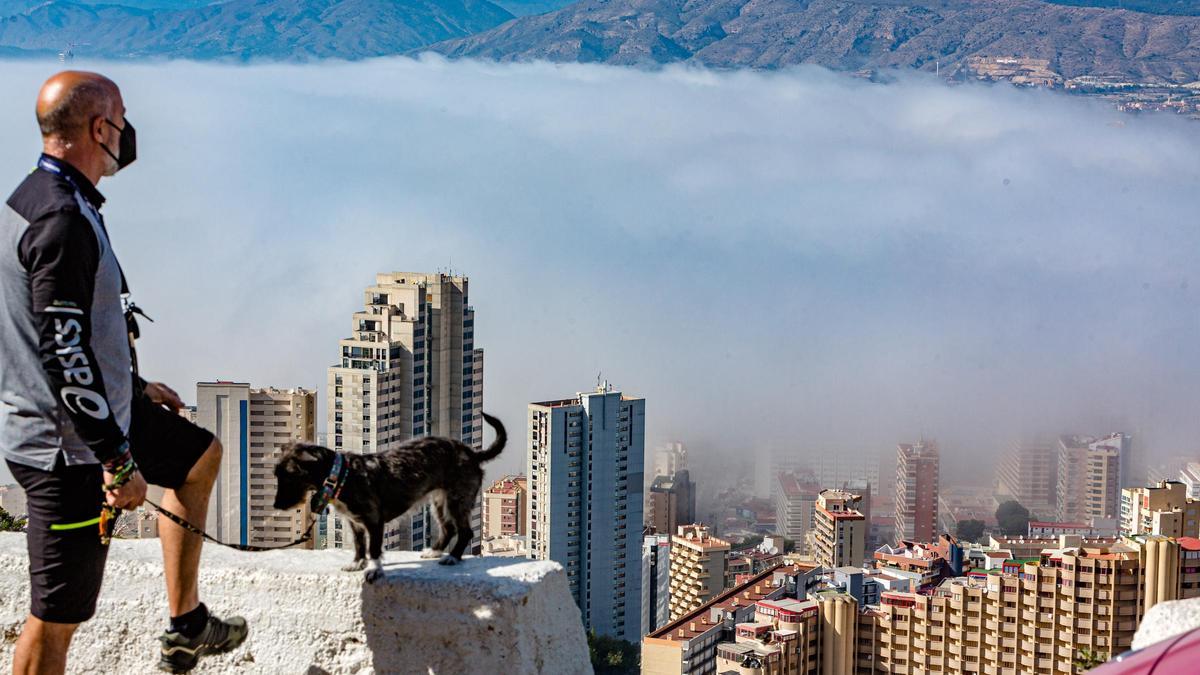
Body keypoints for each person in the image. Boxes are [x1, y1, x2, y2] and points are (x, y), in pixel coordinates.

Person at [0, 71, 248, 674]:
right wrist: (118, 461)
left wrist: (132, 388)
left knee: (197, 456)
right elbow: (61, 352)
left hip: (92, 417)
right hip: (68, 450)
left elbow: (67, 328)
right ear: (98, 128)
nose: (127, 133)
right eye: (121, 119)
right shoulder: (59, 220)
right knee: (55, 619)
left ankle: (186, 623)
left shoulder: (48, 196)